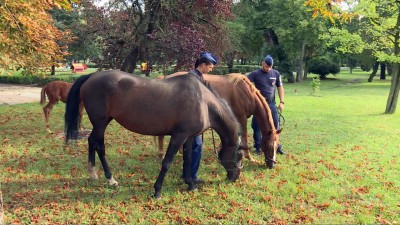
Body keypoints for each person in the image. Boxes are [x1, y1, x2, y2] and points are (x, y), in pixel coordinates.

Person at [182, 51, 218, 184]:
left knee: (190, 147)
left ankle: (186, 174)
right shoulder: (192, 78)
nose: (210, 69)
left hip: (194, 119)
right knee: (196, 146)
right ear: (203, 65)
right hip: (191, 120)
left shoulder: (199, 77)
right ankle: (192, 175)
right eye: (209, 67)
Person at [247, 55, 285, 155]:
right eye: (267, 66)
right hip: (259, 104)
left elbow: (280, 88)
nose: (268, 68)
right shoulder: (255, 74)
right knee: (256, 126)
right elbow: (245, 82)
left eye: (270, 67)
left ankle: (277, 146)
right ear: (263, 63)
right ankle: (258, 146)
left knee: (276, 125)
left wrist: (282, 102)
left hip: (271, 103)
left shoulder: (276, 73)